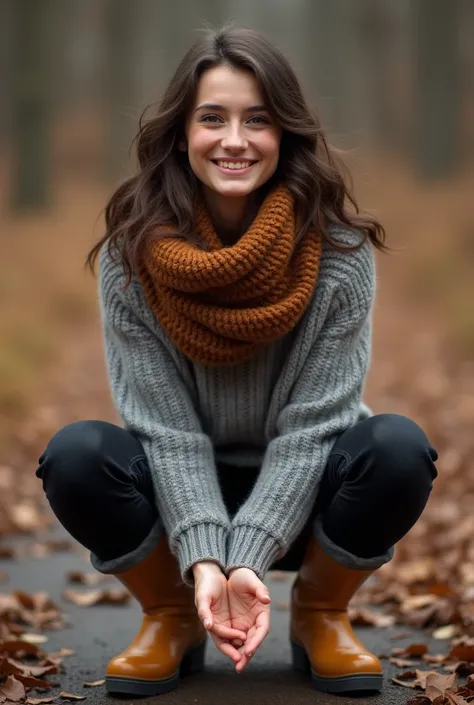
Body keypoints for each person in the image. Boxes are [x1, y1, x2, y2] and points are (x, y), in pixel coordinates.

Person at [35, 24, 438, 697]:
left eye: (258, 119)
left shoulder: (340, 255)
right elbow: (165, 430)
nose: (234, 140)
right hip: (178, 485)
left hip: (309, 485)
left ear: (285, 134)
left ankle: (321, 612)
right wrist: (203, 563)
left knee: (397, 447)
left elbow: (314, 426)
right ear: (180, 132)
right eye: (212, 118)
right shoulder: (131, 258)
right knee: (77, 456)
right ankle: (169, 615)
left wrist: (244, 558)